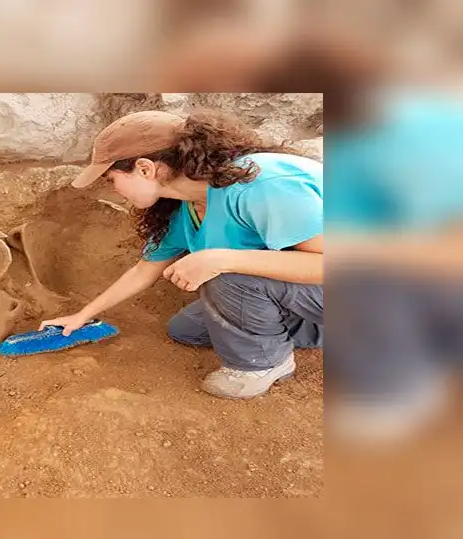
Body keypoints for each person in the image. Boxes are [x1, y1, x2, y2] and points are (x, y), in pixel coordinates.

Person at [40, 110, 323, 399]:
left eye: (111, 179)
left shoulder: (262, 186)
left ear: (145, 168)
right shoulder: (187, 208)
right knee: (186, 329)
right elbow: (143, 270)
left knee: (226, 277)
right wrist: (82, 316)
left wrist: (219, 260)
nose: (113, 191)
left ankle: (265, 364)